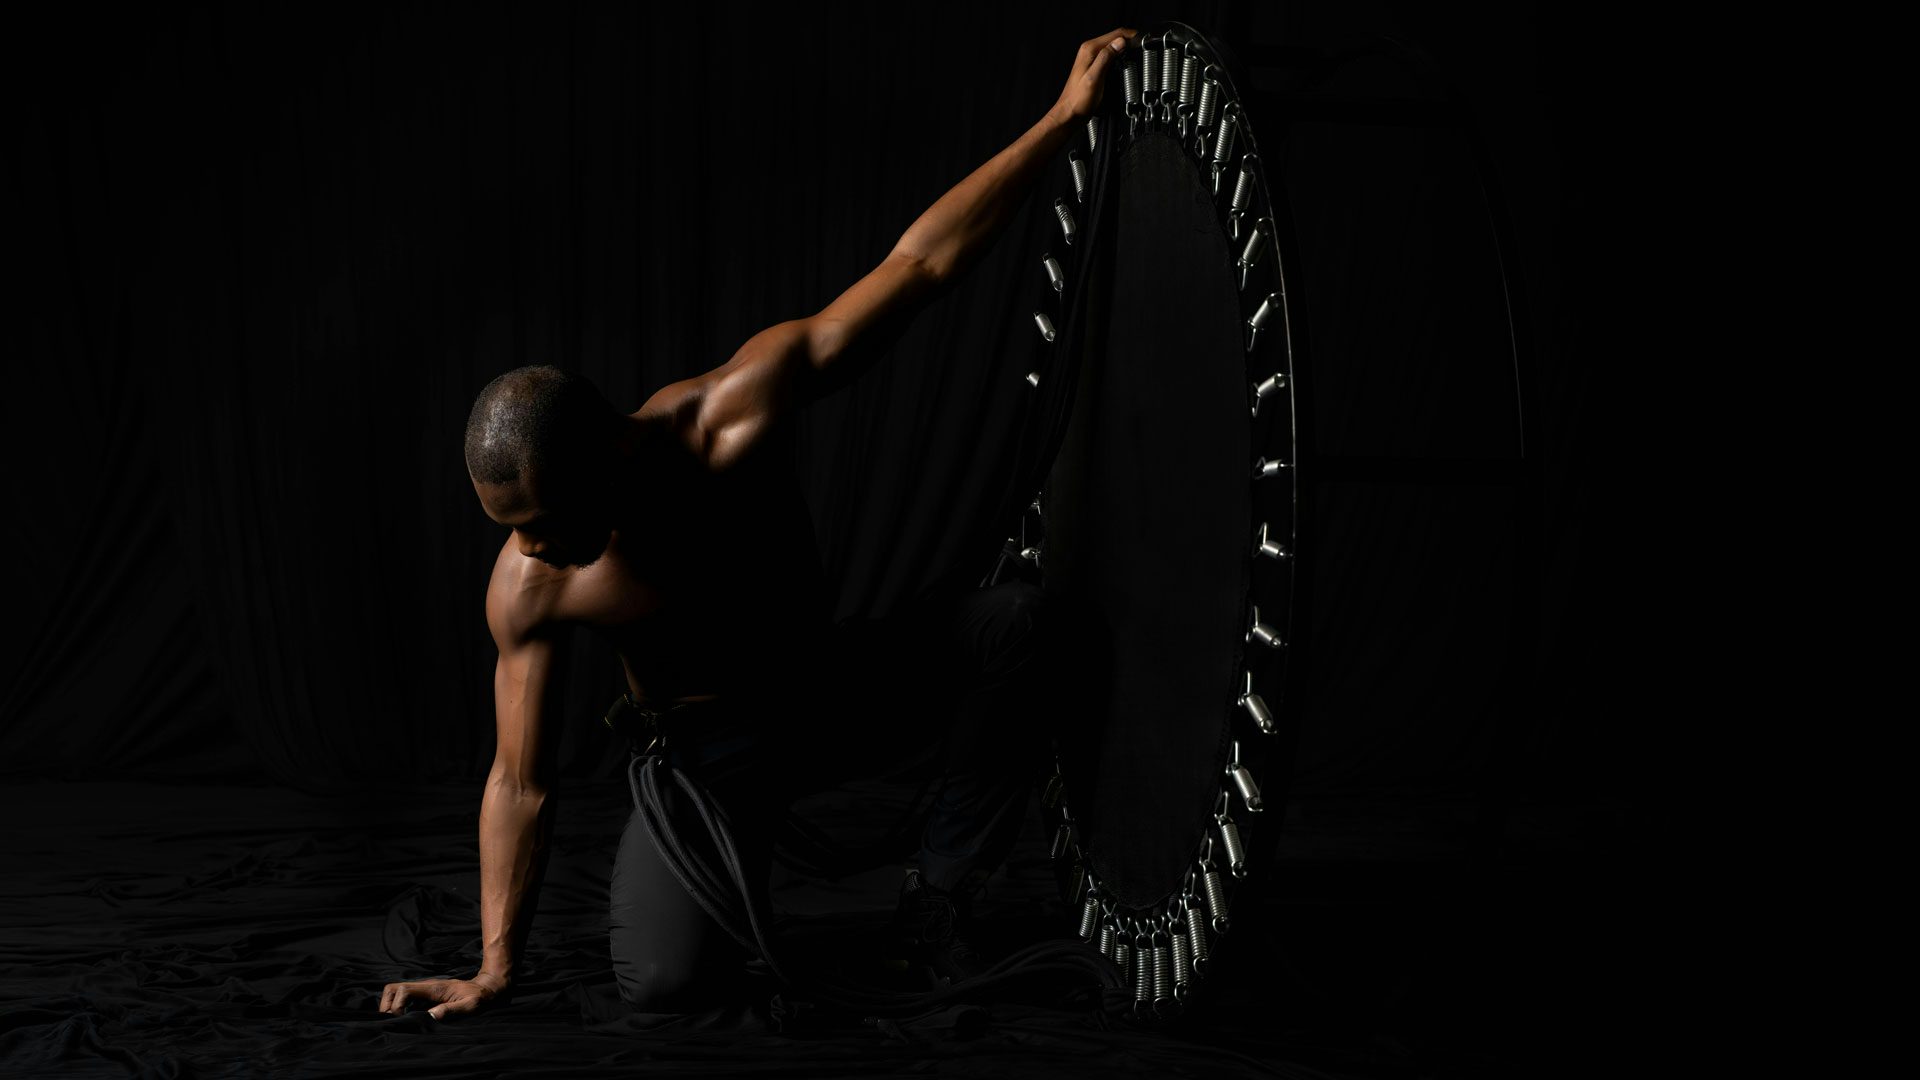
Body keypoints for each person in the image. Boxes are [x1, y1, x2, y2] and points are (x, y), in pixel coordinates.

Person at [378, 26, 1138, 1022]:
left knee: (1023, 628)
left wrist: (1061, 122)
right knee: (665, 986)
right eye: (509, 528)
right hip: (707, 760)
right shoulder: (531, 582)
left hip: (825, 692)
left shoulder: (726, 420)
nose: (528, 550)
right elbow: (518, 782)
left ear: (611, 455)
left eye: (544, 523)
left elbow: (917, 267)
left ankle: (937, 899)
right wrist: (494, 970)